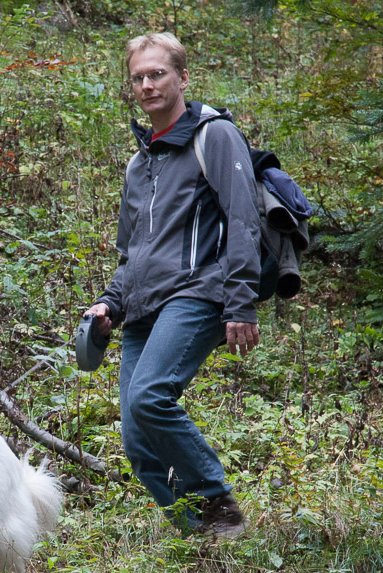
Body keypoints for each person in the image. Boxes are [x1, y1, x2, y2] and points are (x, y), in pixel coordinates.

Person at [85, 32, 261, 538]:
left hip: (199, 291)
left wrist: (240, 303)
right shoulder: (140, 164)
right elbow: (133, 251)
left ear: (182, 77)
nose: (147, 85)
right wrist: (110, 303)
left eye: (157, 74)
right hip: (143, 306)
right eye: (138, 77)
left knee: (149, 397)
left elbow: (243, 219)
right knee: (139, 446)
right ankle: (200, 540)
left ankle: (216, 501)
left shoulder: (215, 135)